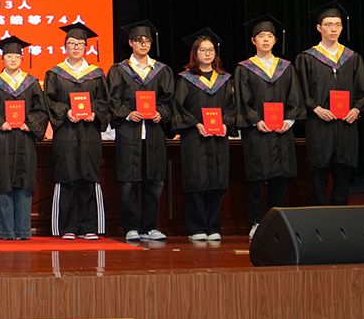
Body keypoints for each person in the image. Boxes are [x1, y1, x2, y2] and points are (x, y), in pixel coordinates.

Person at [235, 14, 305, 238]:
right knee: (257, 178)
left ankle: (276, 221)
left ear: (275, 40)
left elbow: (295, 97)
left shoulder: (286, 67)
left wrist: (289, 120)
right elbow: (242, 100)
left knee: (280, 177)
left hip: (282, 130)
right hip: (258, 131)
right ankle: (256, 222)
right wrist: (257, 120)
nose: (265, 40)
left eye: (269, 36)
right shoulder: (245, 68)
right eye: (261, 36)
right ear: (253, 41)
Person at [294, 1, 364, 206]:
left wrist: (356, 110)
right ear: (319, 28)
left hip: (346, 124)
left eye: (337, 24)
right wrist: (316, 108)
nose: (333, 29)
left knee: (344, 170)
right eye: (328, 24)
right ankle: (319, 216)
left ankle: (340, 215)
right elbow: (300, 91)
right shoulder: (307, 58)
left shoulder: (352, 58)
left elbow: (362, 91)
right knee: (319, 171)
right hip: (319, 124)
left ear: (342, 28)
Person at [108, 21, 175, 243]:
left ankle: (151, 226)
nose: (143, 44)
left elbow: (168, 101)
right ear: (130, 43)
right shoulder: (119, 70)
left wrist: (160, 113)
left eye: (146, 41)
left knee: (154, 181)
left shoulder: (161, 70)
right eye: (138, 40)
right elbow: (113, 100)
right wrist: (127, 114)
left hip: (154, 133)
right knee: (128, 182)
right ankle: (131, 227)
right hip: (129, 132)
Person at [0, 36, 49, 241]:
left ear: (22, 58)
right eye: (9, 56)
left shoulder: (31, 83)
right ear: (2, 59)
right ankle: (6, 231)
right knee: (4, 181)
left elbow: (41, 110)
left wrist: (30, 124)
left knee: (25, 182)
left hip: (25, 140)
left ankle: (23, 230)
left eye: (17, 55)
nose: (13, 59)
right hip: (3, 140)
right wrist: (0, 123)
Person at [43, 22, 111, 240]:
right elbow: (49, 101)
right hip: (67, 133)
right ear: (65, 46)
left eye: (80, 44)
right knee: (68, 177)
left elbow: (104, 101)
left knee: (89, 177)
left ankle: (89, 226)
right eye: (72, 43)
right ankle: (67, 227)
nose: (76, 47)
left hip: (89, 133)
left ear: (86, 47)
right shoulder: (55, 73)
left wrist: (95, 113)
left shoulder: (96, 74)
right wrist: (66, 111)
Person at [172, 29, 236, 242]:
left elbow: (232, 107)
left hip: (218, 138)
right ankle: (196, 227)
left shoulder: (224, 79)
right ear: (195, 53)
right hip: (195, 139)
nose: (207, 54)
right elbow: (179, 108)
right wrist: (196, 124)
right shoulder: (186, 79)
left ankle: (213, 226)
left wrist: (226, 123)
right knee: (196, 182)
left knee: (217, 181)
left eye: (211, 50)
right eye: (203, 50)